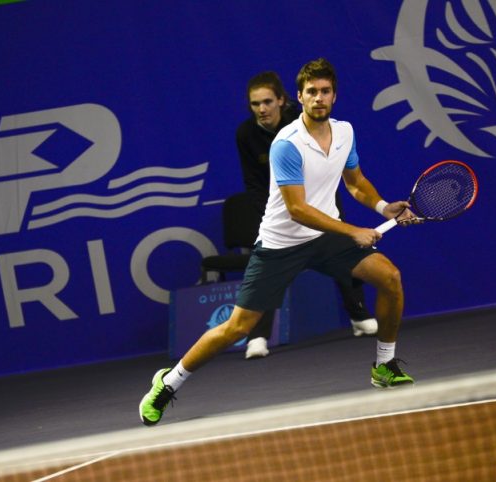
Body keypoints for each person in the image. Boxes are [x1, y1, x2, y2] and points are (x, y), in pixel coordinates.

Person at [140, 58, 417, 426]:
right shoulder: (287, 144)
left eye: (325, 91)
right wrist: (352, 230)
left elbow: (355, 182)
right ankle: (168, 382)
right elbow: (297, 210)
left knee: (390, 277)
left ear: (335, 95)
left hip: (325, 236)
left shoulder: (345, 132)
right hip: (281, 244)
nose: (319, 98)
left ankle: (384, 365)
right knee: (237, 328)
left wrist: (382, 207)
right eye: (312, 92)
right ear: (298, 97)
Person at [235, 71, 377, 359]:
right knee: (269, 275)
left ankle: (358, 315)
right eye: (255, 104)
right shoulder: (246, 134)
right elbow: (254, 183)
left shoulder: (303, 122)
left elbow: (343, 174)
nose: (262, 109)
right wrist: (271, 216)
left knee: (346, 253)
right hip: (281, 210)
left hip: (321, 203)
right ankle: (258, 336)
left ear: (282, 101)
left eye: (267, 102)